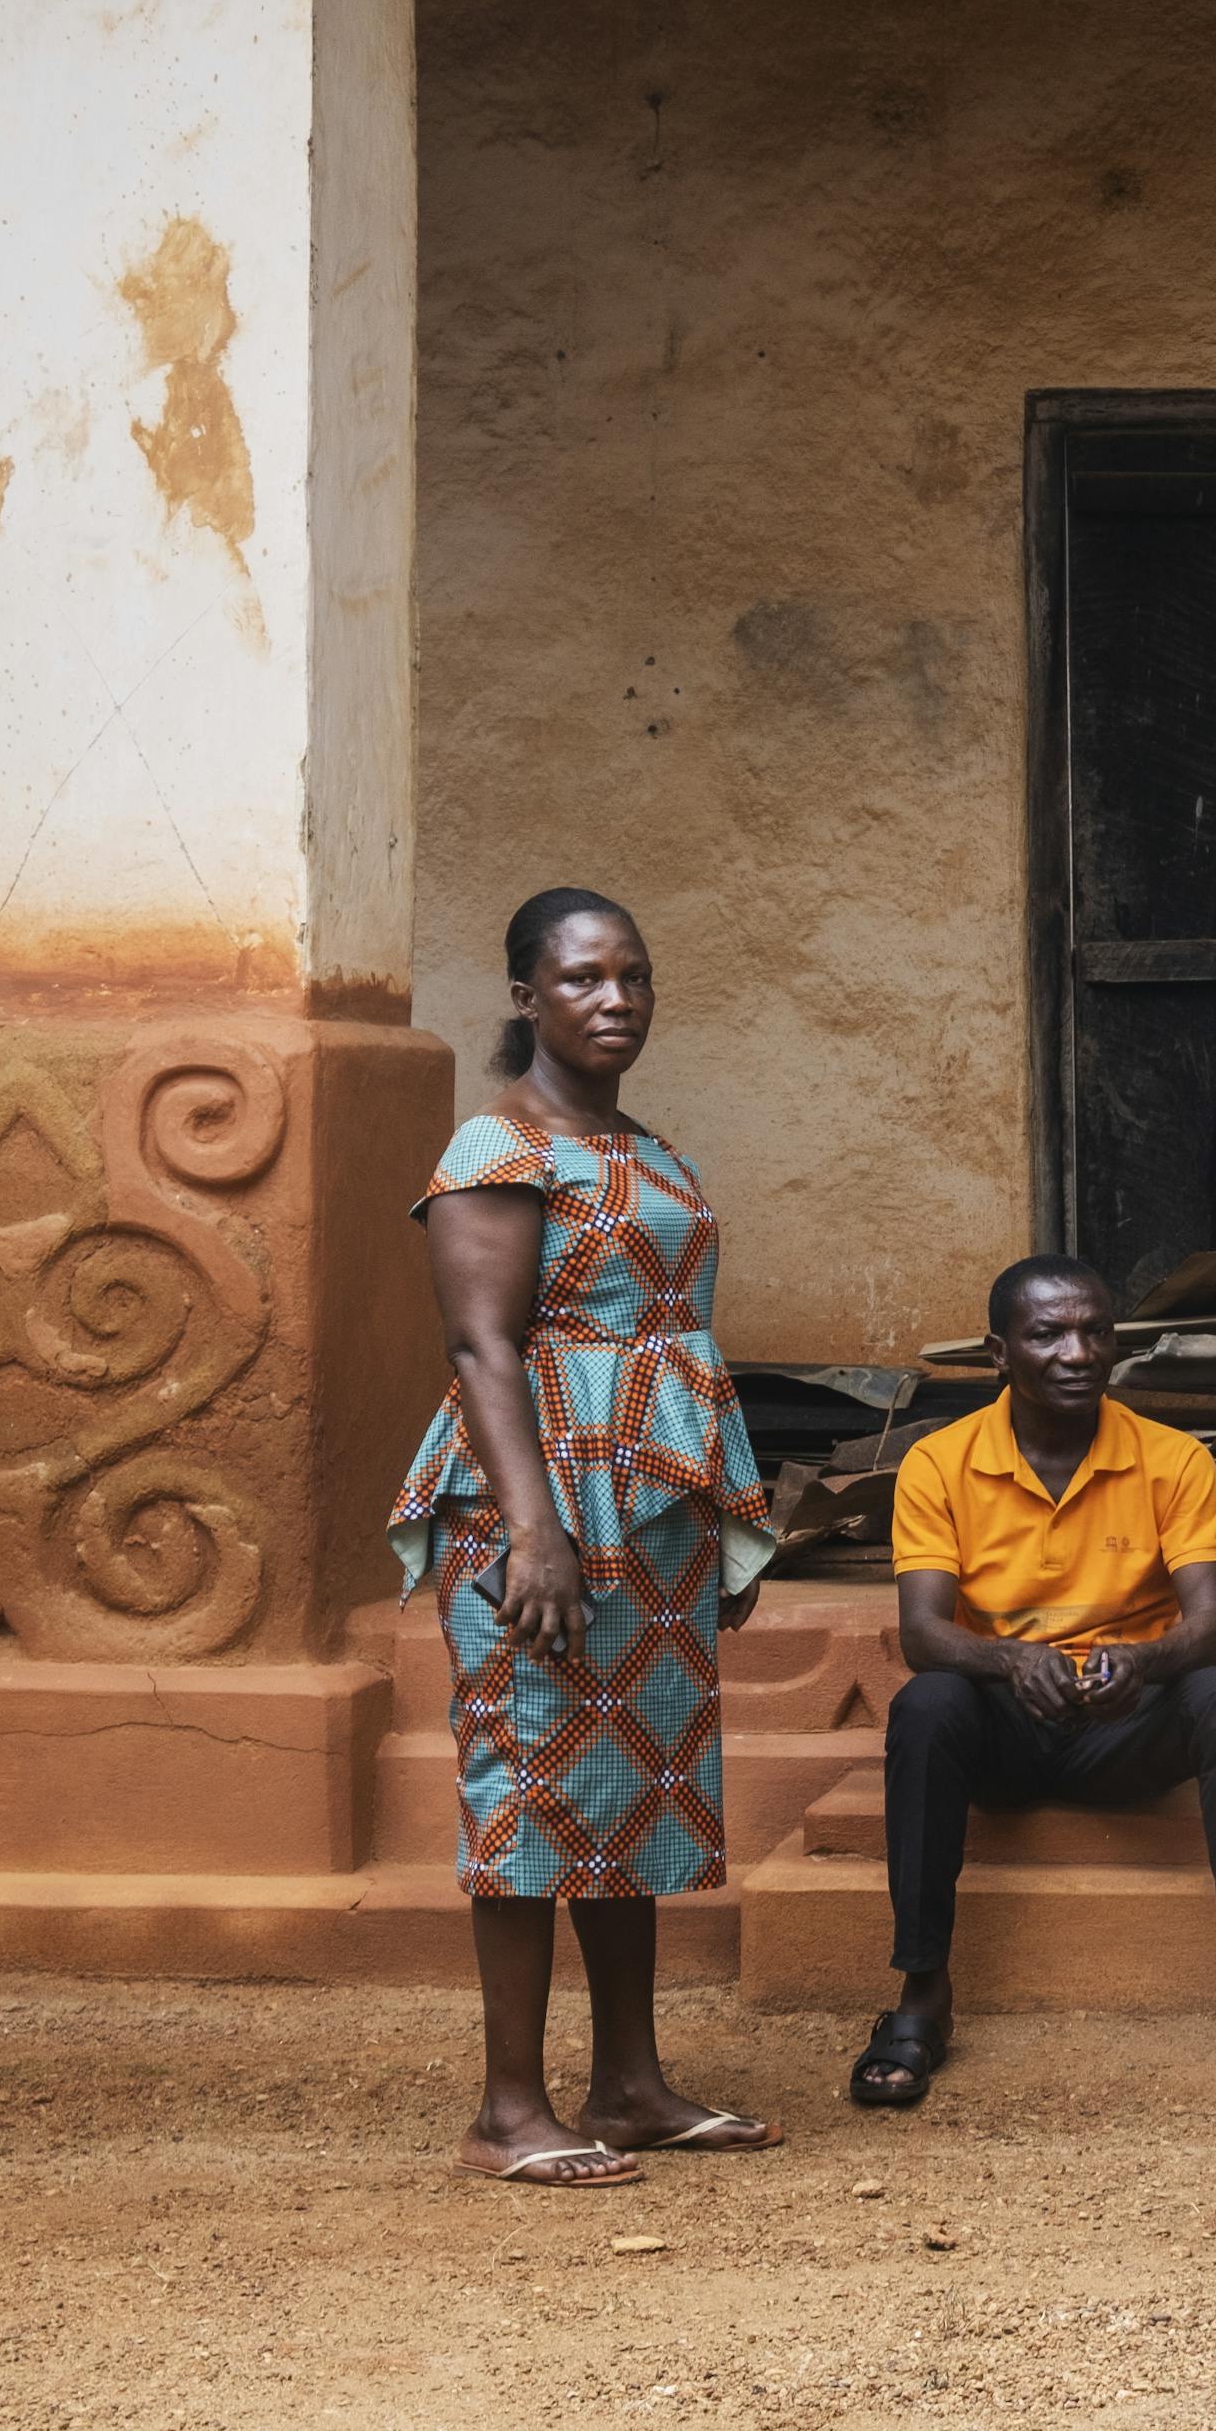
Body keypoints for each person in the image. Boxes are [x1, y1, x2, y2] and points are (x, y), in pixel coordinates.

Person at [391, 888, 780, 2187]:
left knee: (629, 1793)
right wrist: (532, 1527)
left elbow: (675, 1346)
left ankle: (630, 2083)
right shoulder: (497, 1149)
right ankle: (510, 2107)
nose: (616, 998)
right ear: (525, 999)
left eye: (635, 975)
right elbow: (484, 1344)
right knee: (532, 1786)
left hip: (649, 1518)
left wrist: (716, 1517)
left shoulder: (648, 1148)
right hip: (541, 1504)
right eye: (583, 978)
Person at [848, 1257, 1216, 2106]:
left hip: (1127, 1722)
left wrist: (1144, 1659)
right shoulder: (940, 1463)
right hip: (1006, 1727)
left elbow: (1211, 1623)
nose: (1078, 1352)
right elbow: (923, 1633)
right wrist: (1010, 1658)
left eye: (1095, 1331)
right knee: (924, 1703)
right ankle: (923, 1992)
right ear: (1001, 1353)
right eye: (1048, 1334)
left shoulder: (1172, 1460)